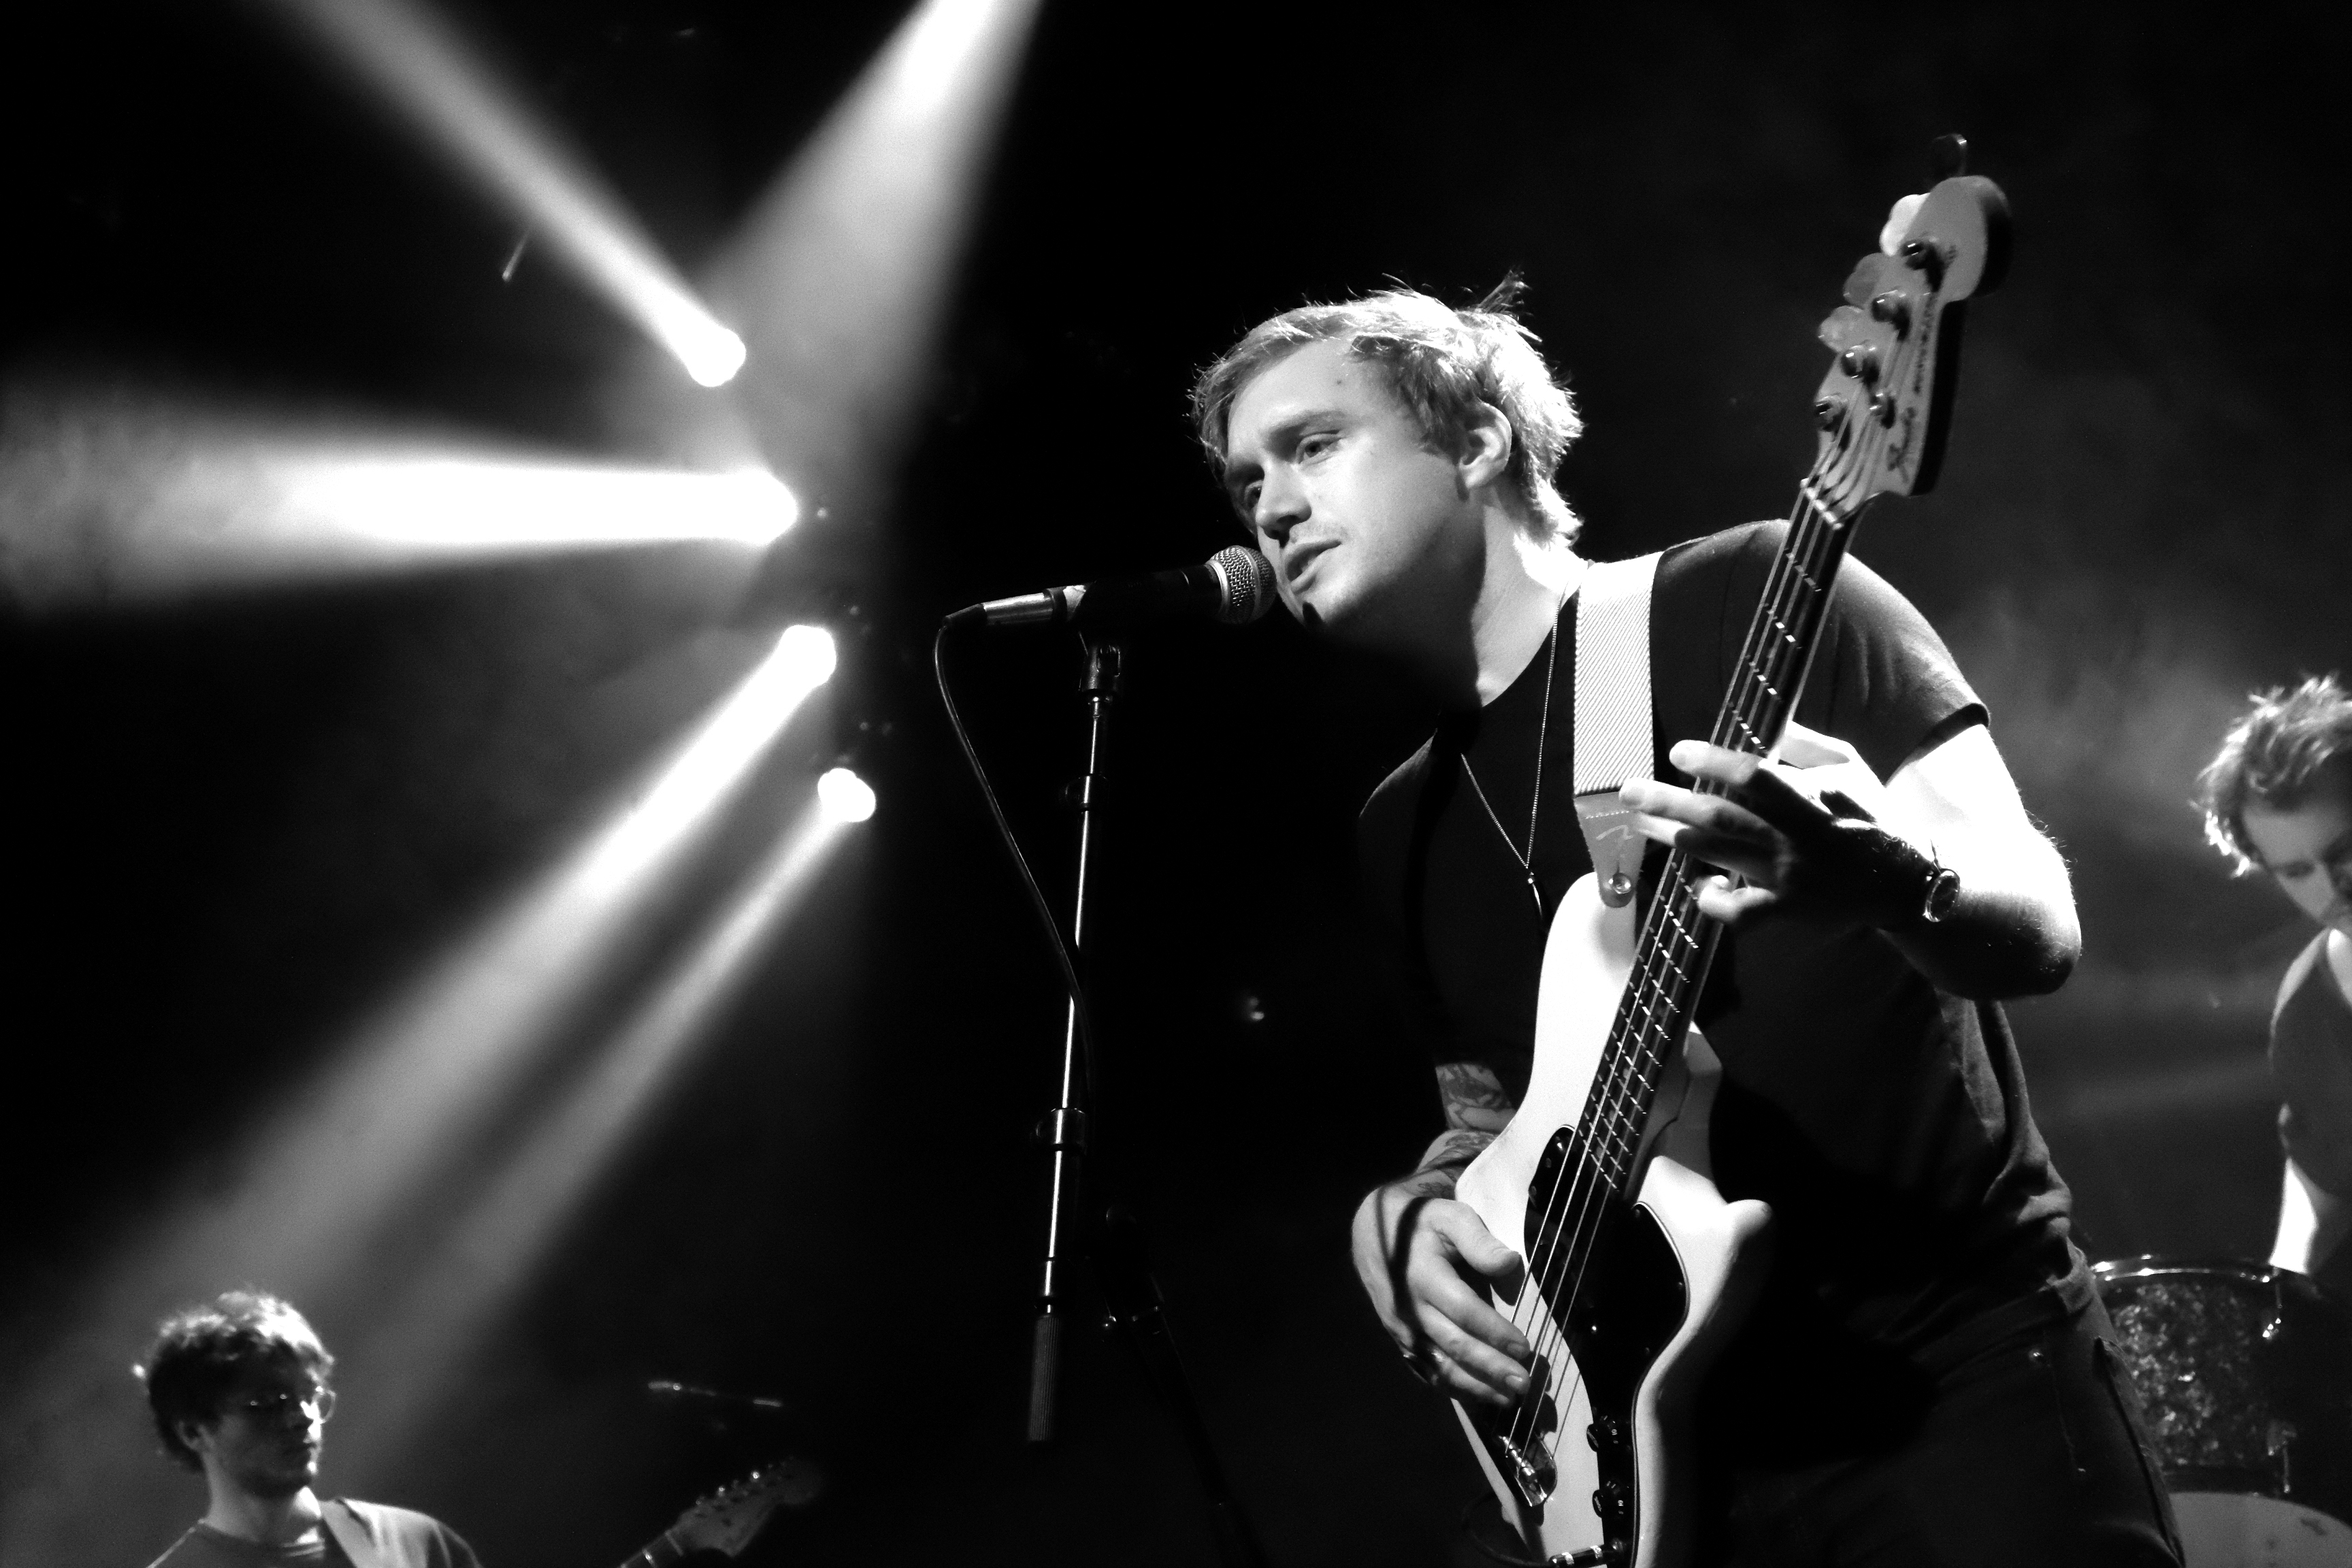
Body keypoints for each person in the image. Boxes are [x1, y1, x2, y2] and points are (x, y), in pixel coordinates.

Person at [1190, 278, 2180, 1564]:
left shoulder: (1746, 594)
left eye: (1313, 445)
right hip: (1682, 1463)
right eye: (1246, 482)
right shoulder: (1399, 827)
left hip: (1962, 1390)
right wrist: (1415, 1215)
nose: (1270, 507)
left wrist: (1889, 881)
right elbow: (1495, 1114)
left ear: (1477, 441)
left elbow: (2042, 926)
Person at [2197, 674, 2352, 1298]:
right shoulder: (2307, 1011)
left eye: (2346, 849)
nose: (2332, 888)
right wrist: (2285, 1278)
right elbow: (2326, 1163)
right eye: (2296, 870)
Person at [138, 1290, 481, 1568]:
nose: (302, 1417)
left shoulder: (414, 1545)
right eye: (266, 1403)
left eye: (310, 1395)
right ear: (193, 1432)